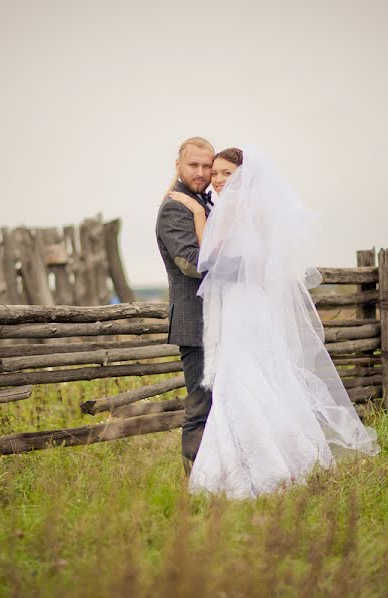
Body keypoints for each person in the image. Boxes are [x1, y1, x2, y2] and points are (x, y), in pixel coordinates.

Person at [170, 146, 379, 499]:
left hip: (241, 310)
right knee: (264, 378)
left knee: (239, 383)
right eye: (214, 173)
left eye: (225, 173)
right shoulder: (255, 210)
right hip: (251, 308)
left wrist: (195, 211)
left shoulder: (233, 209)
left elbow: (209, 259)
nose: (217, 179)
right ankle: (294, 459)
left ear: (244, 178)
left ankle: (248, 472)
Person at [155, 136, 216, 475]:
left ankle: (219, 474)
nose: (201, 172)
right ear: (178, 165)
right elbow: (191, 265)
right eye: (194, 165)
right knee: (200, 404)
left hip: (217, 320)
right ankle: (195, 482)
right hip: (196, 322)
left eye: (207, 166)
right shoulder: (176, 207)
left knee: (221, 400)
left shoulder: (200, 201)